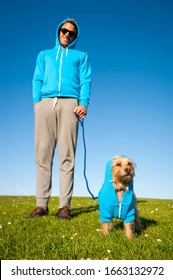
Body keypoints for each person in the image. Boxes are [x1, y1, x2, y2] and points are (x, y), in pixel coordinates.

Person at [28, 18, 92, 219]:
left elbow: (86, 80)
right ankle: (41, 205)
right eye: (64, 30)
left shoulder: (80, 56)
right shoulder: (44, 55)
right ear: (58, 31)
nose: (66, 34)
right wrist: (37, 103)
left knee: (67, 156)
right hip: (45, 104)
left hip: (70, 105)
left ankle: (64, 207)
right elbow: (37, 78)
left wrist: (83, 103)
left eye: (71, 33)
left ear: (75, 37)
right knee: (43, 155)